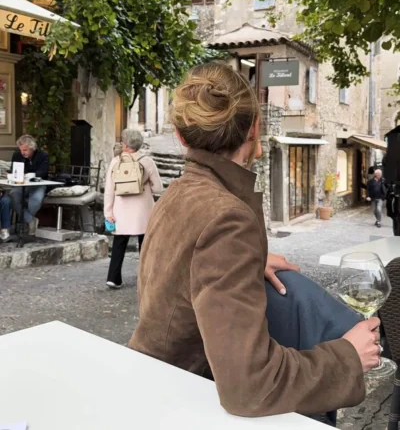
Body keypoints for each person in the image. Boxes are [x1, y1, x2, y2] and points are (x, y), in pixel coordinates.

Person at [129, 62, 381, 425]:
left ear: (180, 137)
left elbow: (184, 268)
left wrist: (246, 259)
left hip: (154, 380)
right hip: (187, 401)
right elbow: (250, 387)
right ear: (255, 128)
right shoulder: (226, 218)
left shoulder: (177, 195)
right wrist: (347, 357)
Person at [104, 129, 162, 289]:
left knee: (119, 244)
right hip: (143, 211)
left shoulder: (116, 162)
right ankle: (146, 278)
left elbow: (109, 190)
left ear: (125, 145)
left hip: (121, 211)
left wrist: (108, 213)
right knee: (145, 245)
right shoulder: (147, 162)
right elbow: (158, 188)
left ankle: (113, 278)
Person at [10, 135, 48, 235]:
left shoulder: (43, 155)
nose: (22, 152)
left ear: (32, 148)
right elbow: (13, 170)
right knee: (13, 195)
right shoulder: (17, 155)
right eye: (21, 150)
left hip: (38, 184)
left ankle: (25, 222)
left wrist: (32, 175)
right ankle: (30, 220)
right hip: (21, 184)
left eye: (25, 150)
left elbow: (43, 172)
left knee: (35, 201)